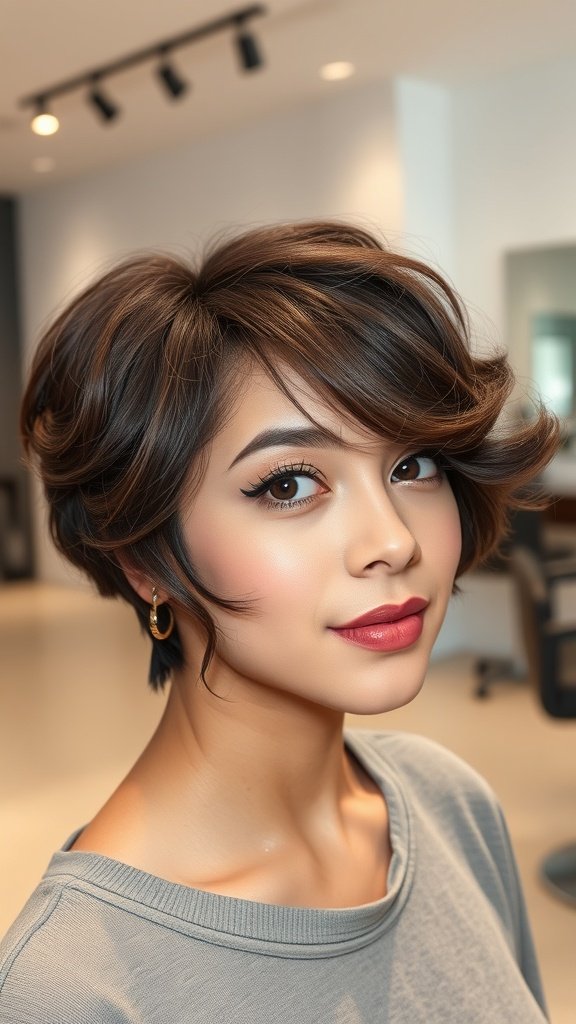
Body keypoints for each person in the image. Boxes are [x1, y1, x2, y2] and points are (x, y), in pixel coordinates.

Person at [0, 221, 558, 1023]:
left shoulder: (449, 802)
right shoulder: (72, 990)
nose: (393, 541)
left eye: (413, 465)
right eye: (290, 485)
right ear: (142, 559)